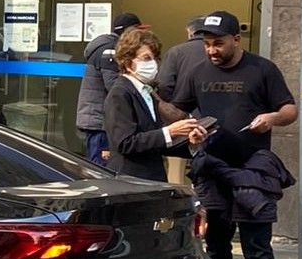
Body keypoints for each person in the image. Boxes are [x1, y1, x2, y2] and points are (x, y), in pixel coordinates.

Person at [170, 10, 297, 259]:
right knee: (216, 242)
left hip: (253, 168)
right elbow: (179, 110)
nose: (212, 50)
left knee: (257, 243)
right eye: (207, 44)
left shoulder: (263, 70)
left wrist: (271, 118)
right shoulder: (197, 71)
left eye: (218, 43)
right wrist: (188, 131)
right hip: (212, 167)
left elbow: (290, 110)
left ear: (236, 40)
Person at [103, 29, 204, 181]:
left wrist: (191, 142)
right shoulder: (120, 93)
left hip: (150, 179)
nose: (153, 64)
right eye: (146, 58)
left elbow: (154, 141)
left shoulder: (147, 92)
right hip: (130, 180)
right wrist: (169, 131)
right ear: (127, 62)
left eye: (155, 58)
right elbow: (125, 143)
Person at [76, 12, 146, 166]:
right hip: (100, 122)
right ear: (128, 31)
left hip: (100, 120)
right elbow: (115, 86)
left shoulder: (106, 47)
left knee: (101, 168)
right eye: (138, 31)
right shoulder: (109, 51)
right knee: (101, 171)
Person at [156, 16, 209, 103]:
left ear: (190, 33)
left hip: (181, 111)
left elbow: (164, 84)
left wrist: (171, 107)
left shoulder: (176, 52)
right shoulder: (220, 52)